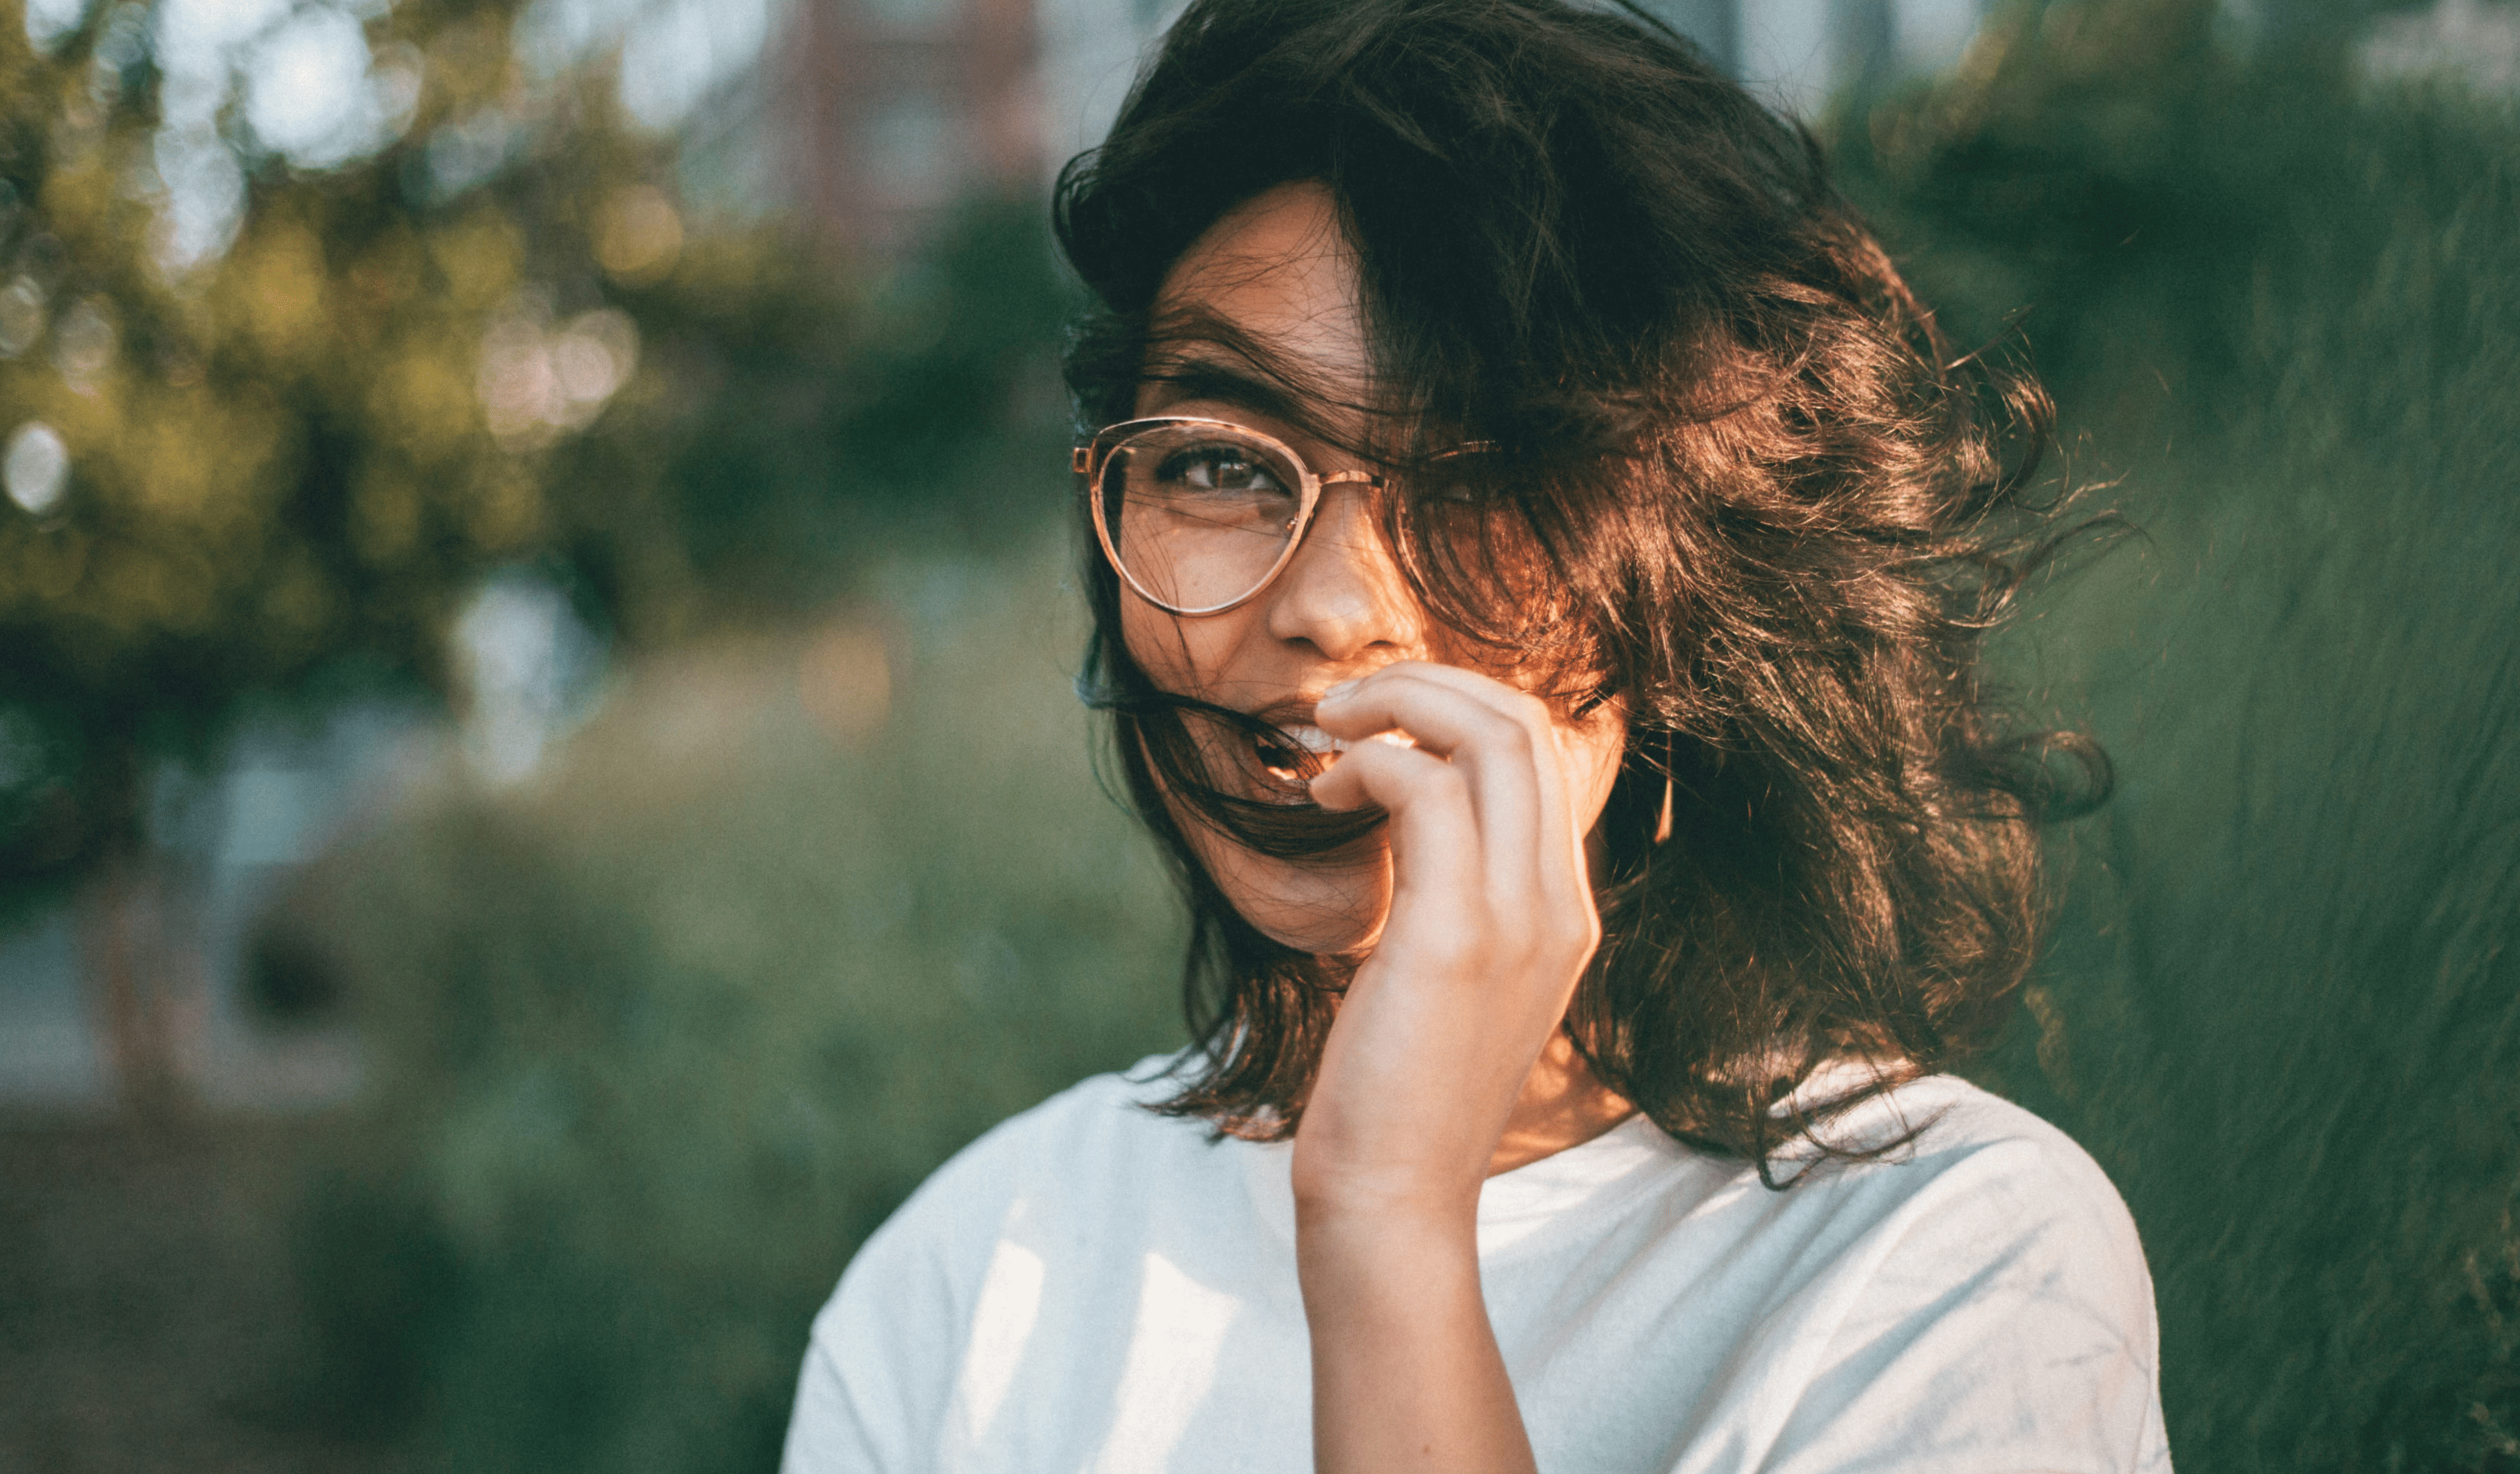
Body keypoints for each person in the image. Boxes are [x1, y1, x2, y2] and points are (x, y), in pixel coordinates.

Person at [782, 1, 2169, 1469]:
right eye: (1217, 464)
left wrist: (1387, 1222)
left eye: (1487, 481)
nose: (1326, 607)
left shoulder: (1947, 1269)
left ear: (1692, 596)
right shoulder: (965, 1285)